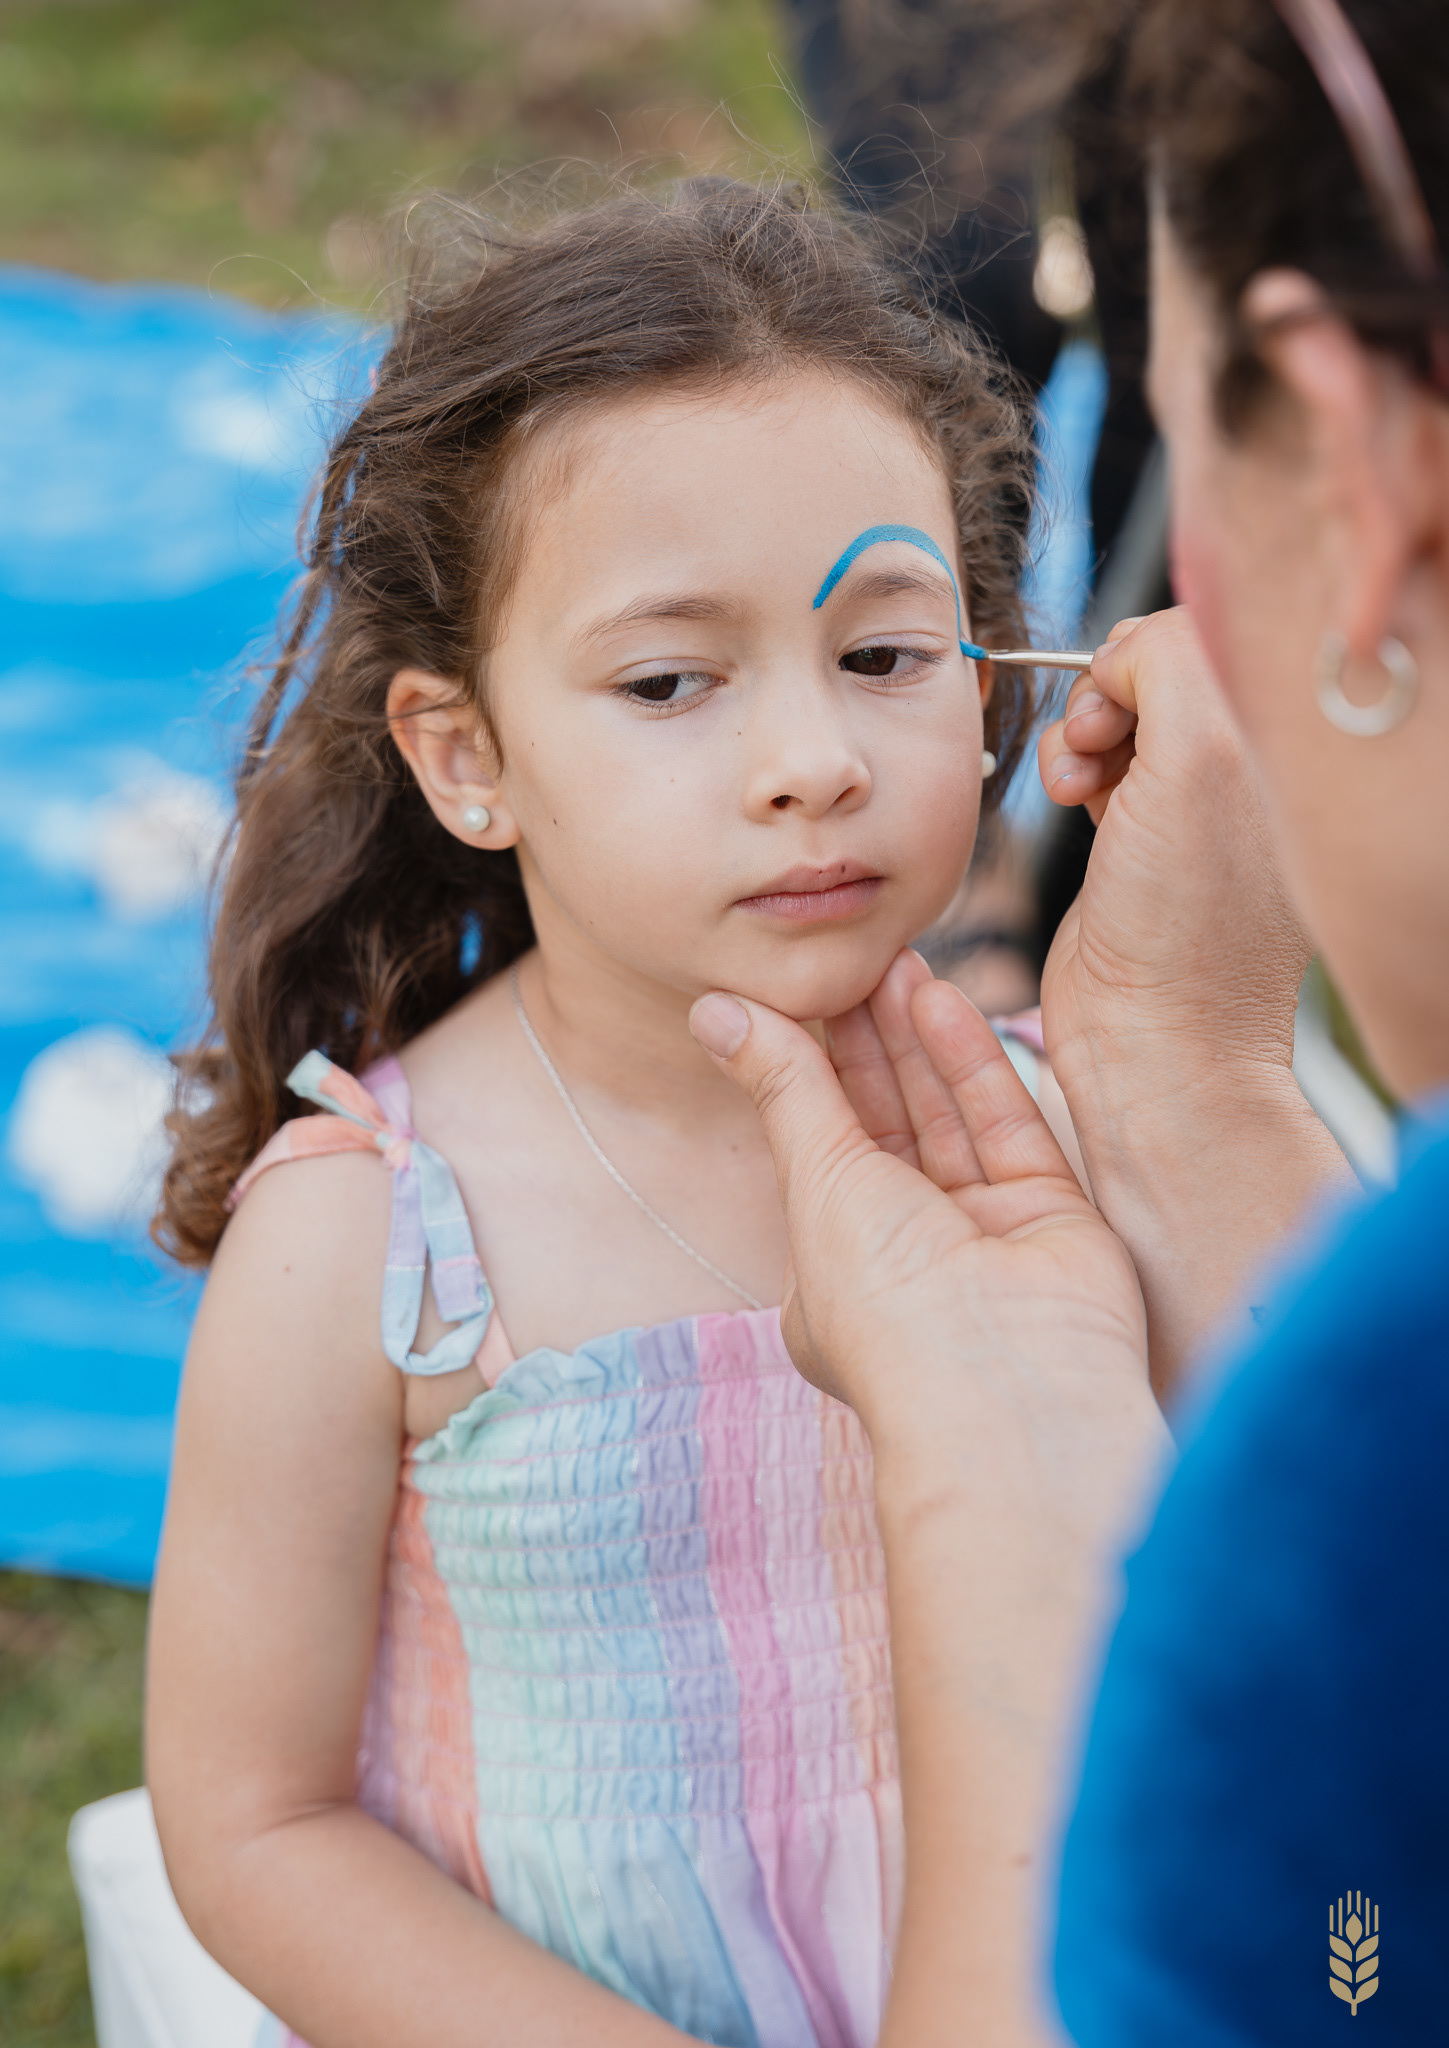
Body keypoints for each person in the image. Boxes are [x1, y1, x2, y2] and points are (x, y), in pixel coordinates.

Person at [143, 175, 1088, 2048]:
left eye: (886, 655)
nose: (813, 762)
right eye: (670, 680)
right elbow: (255, 1820)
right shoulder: (379, 1237)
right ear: (467, 755)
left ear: (993, 681)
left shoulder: (1053, 1142)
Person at [685, 0, 1449, 2041]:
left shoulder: (1377, 1437)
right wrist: (1186, 1073)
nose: (806, 762)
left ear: (1354, 469)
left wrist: (990, 1462)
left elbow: (1344, 1966)